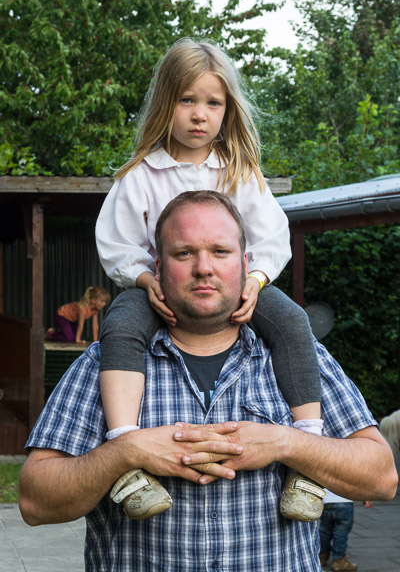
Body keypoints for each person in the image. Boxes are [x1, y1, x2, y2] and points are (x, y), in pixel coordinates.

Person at [19, 192, 398, 572]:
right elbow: (35, 502)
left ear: (245, 264)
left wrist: (287, 442)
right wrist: (125, 452)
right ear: (158, 267)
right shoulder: (102, 364)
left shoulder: (300, 356)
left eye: (220, 251)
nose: (203, 268)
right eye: (184, 253)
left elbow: (381, 478)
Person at [95, 37, 324, 521]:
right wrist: (144, 281)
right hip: (160, 291)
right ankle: (125, 455)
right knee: (120, 324)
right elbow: (118, 244)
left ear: (227, 109)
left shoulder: (241, 171)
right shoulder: (140, 175)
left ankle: (309, 455)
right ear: (165, 103)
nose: (200, 114)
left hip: (236, 291)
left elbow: (272, 237)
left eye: (213, 103)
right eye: (187, 100)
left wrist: (255, 280)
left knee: (291, 320)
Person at [318, 491, 372, 571]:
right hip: (344, 501)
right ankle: (338, 560)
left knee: (324, 531)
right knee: (341, 532)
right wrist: (365, 497)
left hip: (326, 501)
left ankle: (321, 556)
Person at [45, 286, 110, 344]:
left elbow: (95, 325)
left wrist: (95, 340)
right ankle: (51, 334)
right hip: (62, 316)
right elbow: (80, 324)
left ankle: (67, 335)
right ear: (93, 300)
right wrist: (77, 340)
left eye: (105, 302)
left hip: (73, 320)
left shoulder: (95, 310)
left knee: (77, 338)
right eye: (102, 301)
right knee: (70, 339)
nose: (104, 304)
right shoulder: (83, 307)